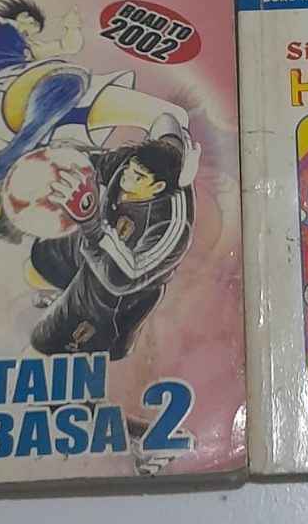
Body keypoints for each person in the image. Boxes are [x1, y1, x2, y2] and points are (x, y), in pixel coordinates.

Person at [0, 0, 188, 236]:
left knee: (167, 116)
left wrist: (72, 27)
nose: (30, 33)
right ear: (21, 16)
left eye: (33, 31)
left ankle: (140, 202)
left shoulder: (28, 50)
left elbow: (67, 47)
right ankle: (3, 164)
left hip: (54, 104)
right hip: (5, 95)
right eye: (30, 26)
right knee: (69, 79)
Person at [27, 130, 197, 360]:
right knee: (45, 252)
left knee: (47, 340)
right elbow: (102, 163)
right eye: (130, 168)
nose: (127, 176)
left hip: (121, 290)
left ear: (157, 188)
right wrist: (76, 154)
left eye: (137, 177)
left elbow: (125, 277)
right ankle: (71, 289)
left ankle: (112, 335)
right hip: (100, 237)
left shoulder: (171, 224)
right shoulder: (133, 160)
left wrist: (90, 222)